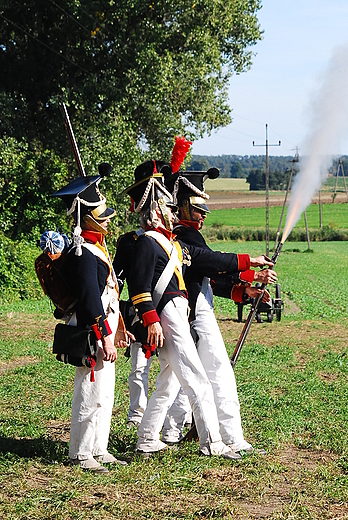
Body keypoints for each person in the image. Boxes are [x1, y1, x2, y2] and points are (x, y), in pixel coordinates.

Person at [122, 159, 274, 459]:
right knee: (199, 380)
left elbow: (205, 264)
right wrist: (151, 320)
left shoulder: (173, 244)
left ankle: (148, 438)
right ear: (157, 212)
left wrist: (243, 274)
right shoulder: (147, 243)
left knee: (169, 381)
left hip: (178, 313)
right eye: (169, 209)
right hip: (167, 316)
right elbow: (139, 286)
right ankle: (213, 443)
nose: (173, 213)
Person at [53, 165, 128, 473]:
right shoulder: (83, 253)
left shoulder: (95, 249)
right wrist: (104, 336)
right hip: (91, 332)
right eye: (103, 215)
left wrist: (116, 330)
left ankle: (99, 447)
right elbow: (89, 301)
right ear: (89, 220)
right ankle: (81, 453)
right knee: (89, 392)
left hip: (103, 330)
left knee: (105, 393)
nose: (109, 219)